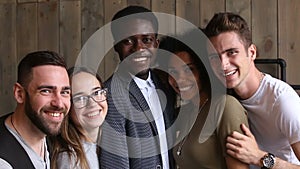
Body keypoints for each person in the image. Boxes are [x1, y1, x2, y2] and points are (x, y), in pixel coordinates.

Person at [205, 12, 300, 169]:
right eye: (215, 57)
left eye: (231, 52)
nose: (223, 65)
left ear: (252, 53)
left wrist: (260, 157)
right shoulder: (223, 95)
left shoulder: (282, 100)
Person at [100, 5, 176, 169]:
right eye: (128, 41)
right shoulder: (110, 98)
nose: (138, 49)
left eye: (146, 40)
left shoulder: (165, 85)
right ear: (116, 46)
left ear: (156, 43)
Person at [159, 33, 249, 169]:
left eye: (189, 69)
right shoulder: (183, 113)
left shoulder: (225, 106)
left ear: (204, 69)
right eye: (173, 72)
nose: (179, 79)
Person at [0, 51, 71, 169]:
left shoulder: (48, 135)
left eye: (64, 92)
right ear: (19, 94)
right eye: (46, 91)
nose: (58, 103)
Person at [50, 67, 108, 169]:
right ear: (68, 106)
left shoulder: (112, 142)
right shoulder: (70, 159)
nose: (92, 103)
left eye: (96, 93)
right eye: (80, 98)